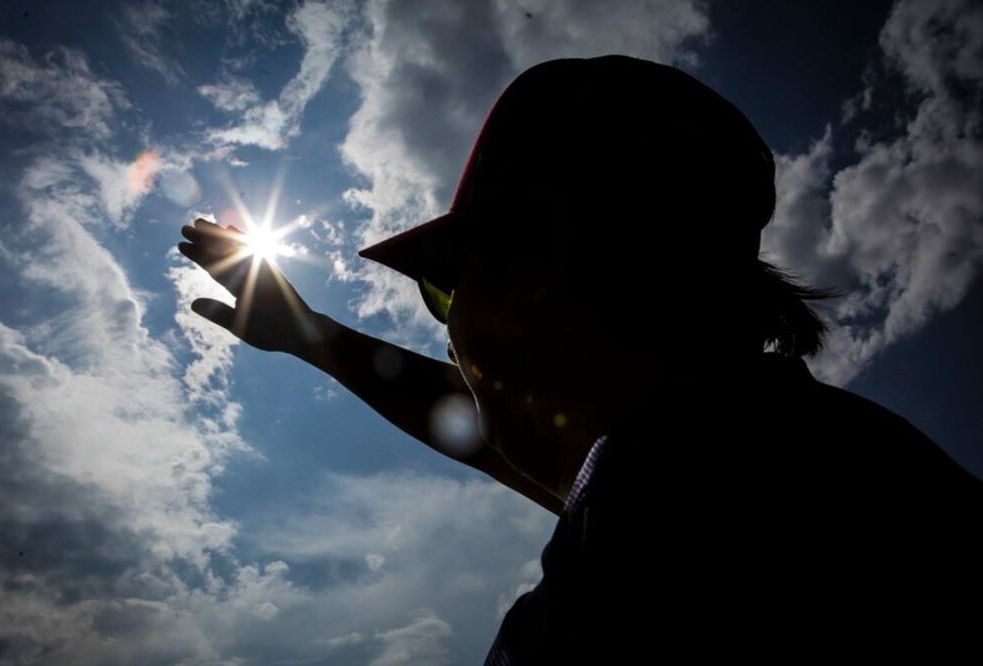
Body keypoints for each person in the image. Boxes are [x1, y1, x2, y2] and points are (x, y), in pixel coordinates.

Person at [179, 55, 983, 660]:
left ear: (546, 260)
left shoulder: (657, 527)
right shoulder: (789, 467)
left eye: (448, 290)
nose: (453, 339)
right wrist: (315, 337)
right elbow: (488, 430)